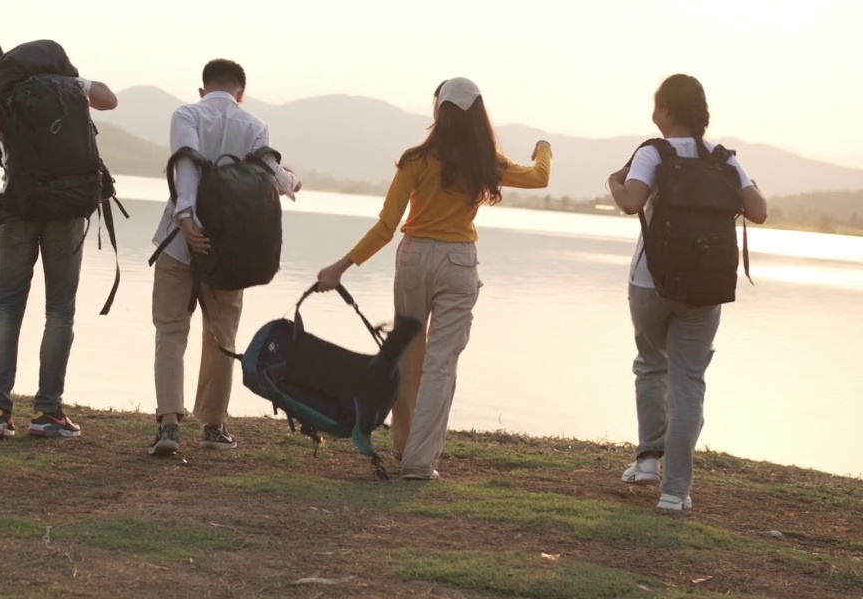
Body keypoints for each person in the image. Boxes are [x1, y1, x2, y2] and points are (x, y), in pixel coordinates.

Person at [315, 77, 551, 480]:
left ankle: (405, 447)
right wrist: (544, 148)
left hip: (414, 259)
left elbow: (387, 226)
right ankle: (420, 463)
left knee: (408, 359)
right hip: (459, 263)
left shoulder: (415, 160)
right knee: (441, 364)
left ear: (438, 111)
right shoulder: (486, 162)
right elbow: (539, 177)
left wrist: (341, 266)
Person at [607, 73, 767, 511]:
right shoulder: (723, 159)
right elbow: (760, 211)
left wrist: (612, 181)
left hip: (649, 283)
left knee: (650, 365)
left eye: (657, 107)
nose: (653, 115)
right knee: (688, 382)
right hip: (706, 286)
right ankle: (675, 493)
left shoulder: (650, 153)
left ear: (669, 112)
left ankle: (646, 462)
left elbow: (630, 201)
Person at [0, 39, 120, 439]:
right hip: (67, 208)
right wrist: (72, 82)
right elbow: (109, 100)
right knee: (59, 312)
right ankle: (48, 413)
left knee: (9, 308)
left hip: (20, 206)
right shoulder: (62, 80)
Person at [148, 59, 301, 456]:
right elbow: (267, 169)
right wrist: (288, 181)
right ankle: (213, 427)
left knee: (170, 332)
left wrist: (185, 216)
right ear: (241, 93)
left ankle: (168, 426)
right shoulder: (253, 125)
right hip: (229, 250)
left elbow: (185, 160)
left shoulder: (185, 114)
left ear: (203, 90)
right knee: (222, 335)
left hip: (179, 243)